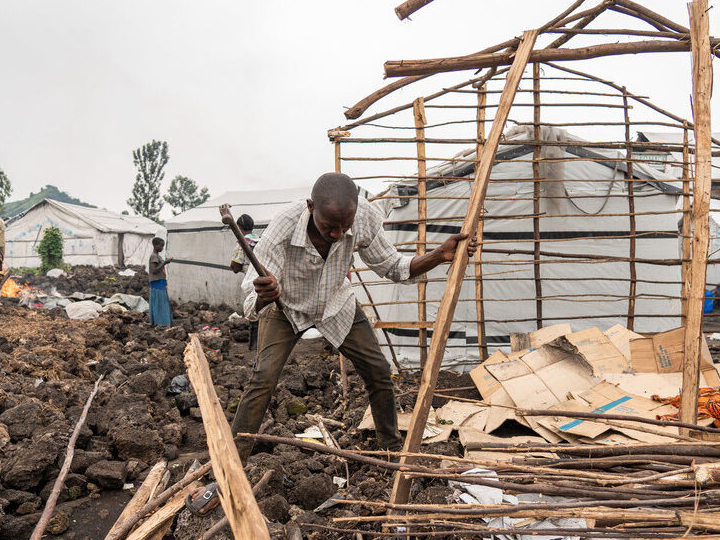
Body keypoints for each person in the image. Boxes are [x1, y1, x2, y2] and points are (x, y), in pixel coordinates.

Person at [189, 172, 477, 515]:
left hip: (335, 304)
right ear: (311, 208)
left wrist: (439, 255)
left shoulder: (365, 217)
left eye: (345, 226)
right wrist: (266, 294)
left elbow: (394, 267)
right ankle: (228, 473)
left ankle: (389, 452)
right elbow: (251, 298)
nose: (338, 234)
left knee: (379, 372)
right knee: (262, 379)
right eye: (330, 227)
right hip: (286, 306)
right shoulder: (284, 226)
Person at [229, 214, 260, 349]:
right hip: (266, 278)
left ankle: (254, 346)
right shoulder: (259, 240)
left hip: (252, 282)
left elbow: (236, 266)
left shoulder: (242, 242)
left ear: (239, 228)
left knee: (253, 312)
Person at [148, 237, 174, 327]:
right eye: (161, 246)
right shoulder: (154, 256)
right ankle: (162, 322)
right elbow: (154, 270)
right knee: (160, 303)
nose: (162, 248)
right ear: (155, 245)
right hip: (156, 282)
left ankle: (161, 322)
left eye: (163, 246)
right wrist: (164, 263)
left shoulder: (157, 256)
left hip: (160, 282)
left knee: (161, 303)